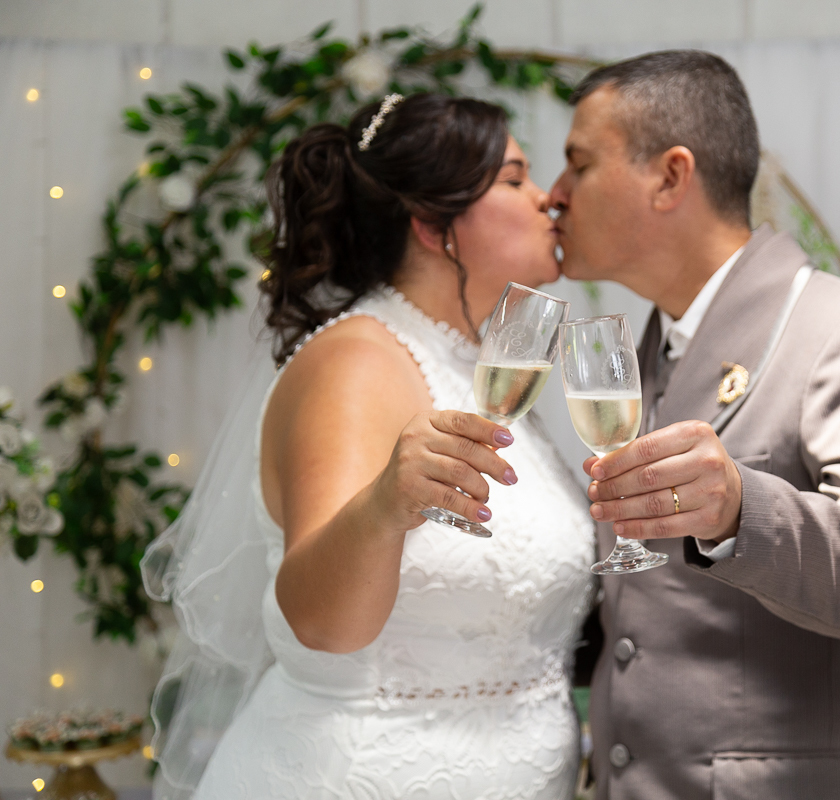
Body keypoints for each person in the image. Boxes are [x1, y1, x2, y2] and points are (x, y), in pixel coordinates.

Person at [143, 93, 595, 799]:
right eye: (515, 179)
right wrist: (385, 503)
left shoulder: (477, 369)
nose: (547, 201)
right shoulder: (358, 363)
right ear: (430, 224)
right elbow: (322, 622)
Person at [550, 51, 840, 798]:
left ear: (671, 177)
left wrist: (742, 509)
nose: (555, 196)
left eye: (578, 165)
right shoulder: (642, 352)